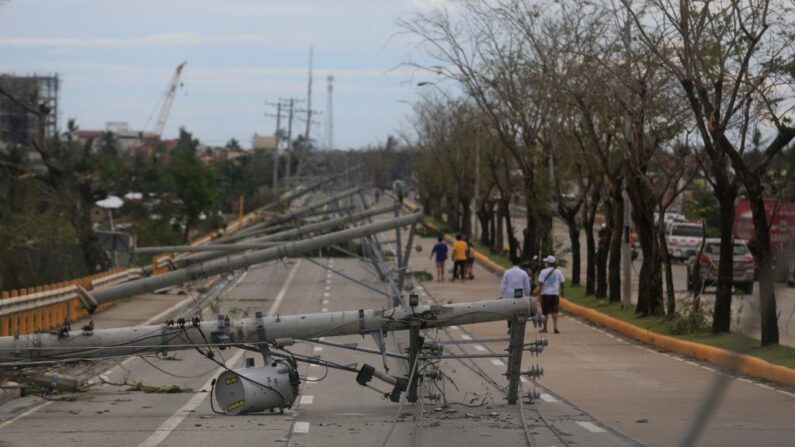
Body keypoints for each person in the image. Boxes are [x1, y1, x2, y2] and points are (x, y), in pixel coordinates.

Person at [537, 255, 565, 334]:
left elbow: (540, 284)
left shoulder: (543, 271)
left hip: (545, 294)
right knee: (555, 311)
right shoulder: (558, 272)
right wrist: (562, 292)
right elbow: (562, 282)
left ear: (548, 263)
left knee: (545, 312)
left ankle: (545, 328)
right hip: (554, 294)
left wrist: (539, 295)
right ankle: (555, 327)